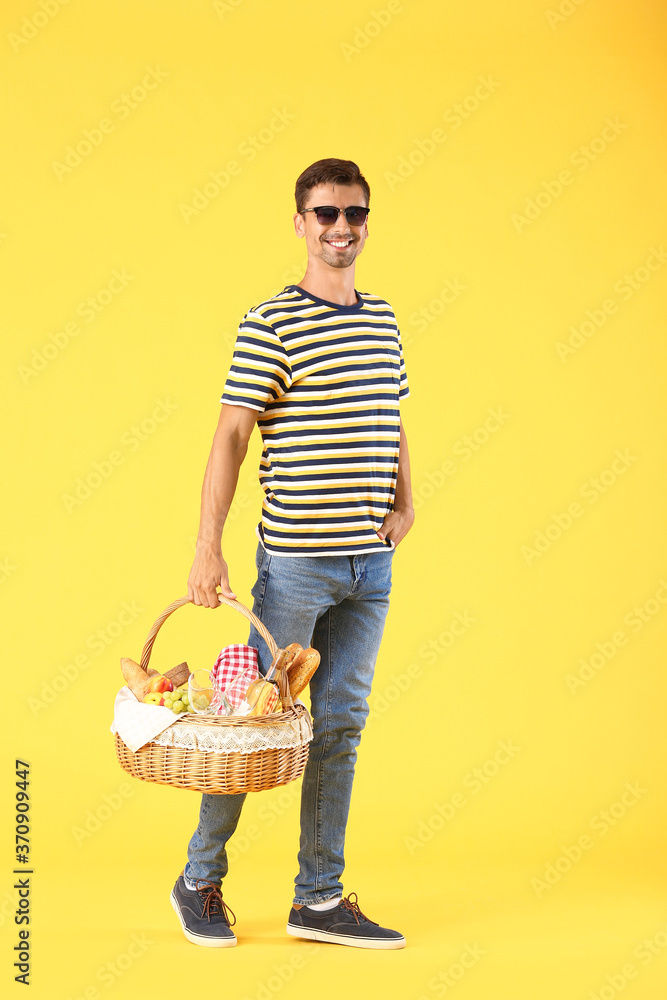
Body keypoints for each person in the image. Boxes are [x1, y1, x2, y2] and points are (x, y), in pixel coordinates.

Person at [170, 158, 414, 950]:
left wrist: (408, 498)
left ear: (366, 222)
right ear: (301, 223)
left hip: (367, 567)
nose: (341, 227)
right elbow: (231, 435)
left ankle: (317, 898)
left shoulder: (382, 320)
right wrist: (207, 550)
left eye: (354, 213)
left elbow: (392, 413)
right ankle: (199, 879)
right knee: (251, 727)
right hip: (295, 568)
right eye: (325, 214)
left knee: (340, 725)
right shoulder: (270, 322)